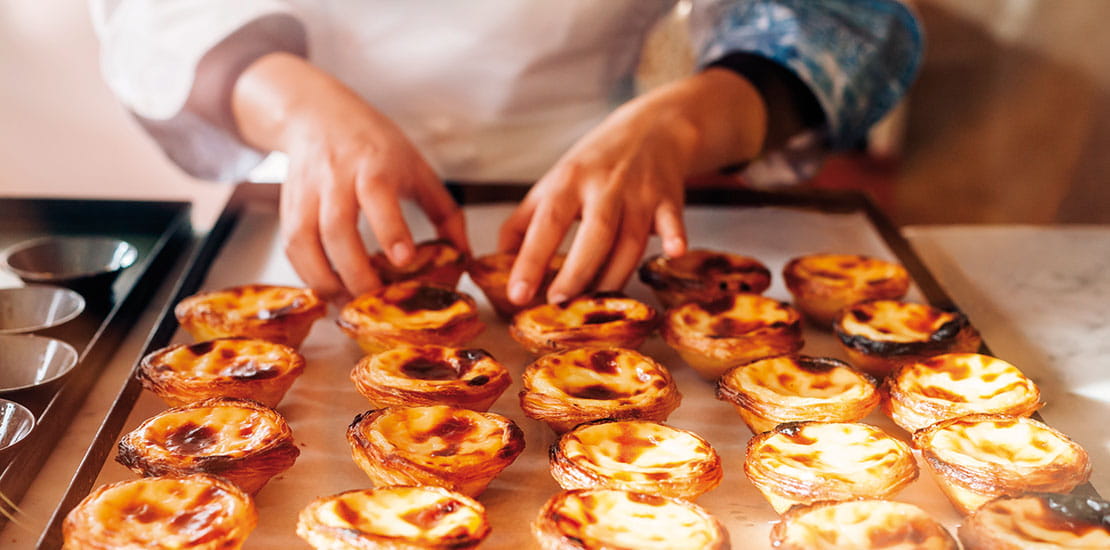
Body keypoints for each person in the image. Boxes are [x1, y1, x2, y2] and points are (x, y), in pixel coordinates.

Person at [92, 0, 922, 304]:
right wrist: (298, 106)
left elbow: (848, 19)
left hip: (592, 201)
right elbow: (151, 16)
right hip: (304, 203)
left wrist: (682, 121)